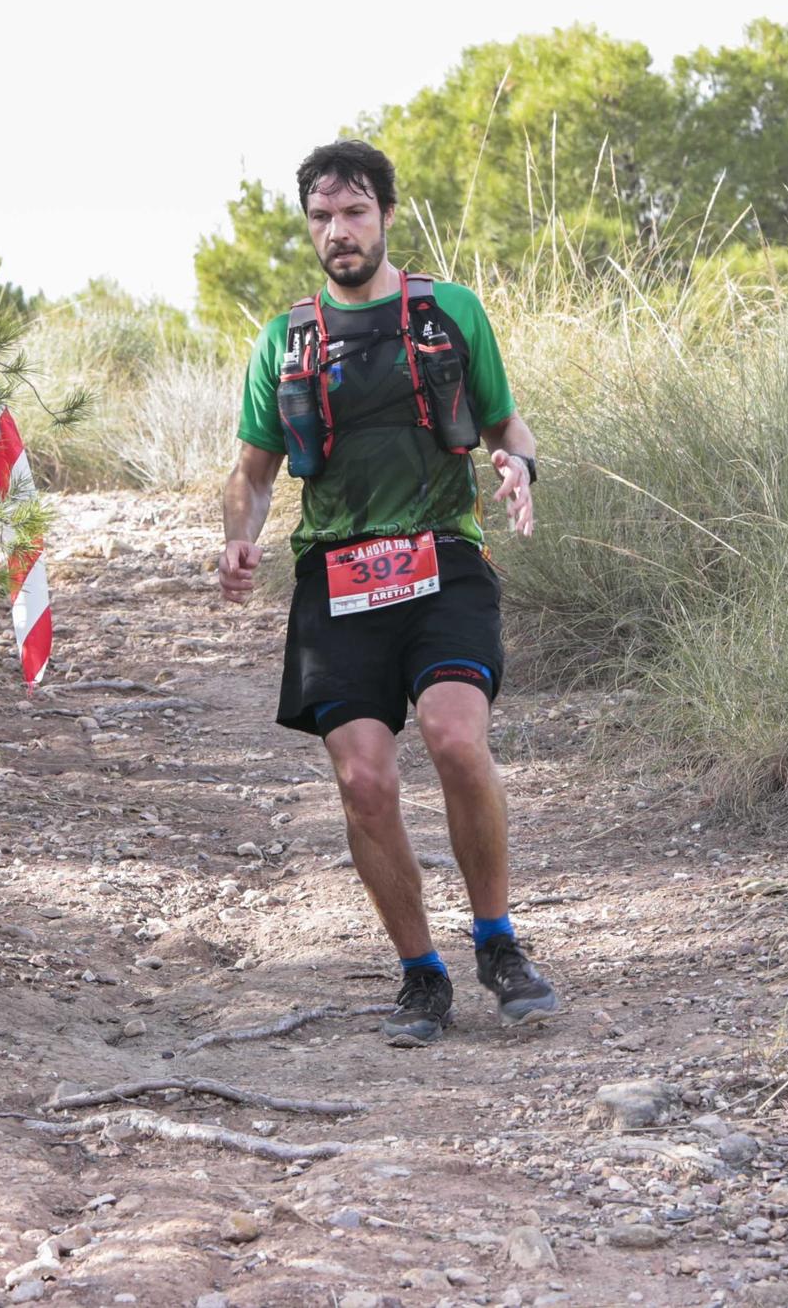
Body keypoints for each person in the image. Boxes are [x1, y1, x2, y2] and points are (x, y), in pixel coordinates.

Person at [218, 139, 561, 1048]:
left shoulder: (449, 314)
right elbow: (252, 474)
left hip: (443, 556)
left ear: (387, 217)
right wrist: (237, 541)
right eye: (323, 217)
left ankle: (499, 945)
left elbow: (505, 421)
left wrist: (518, 466)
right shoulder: (285, 340)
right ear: (310, 228)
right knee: (365, 781)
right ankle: (421, 976)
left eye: (355, 212)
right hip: (335, 574)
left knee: (454, 737)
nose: (340, 232)